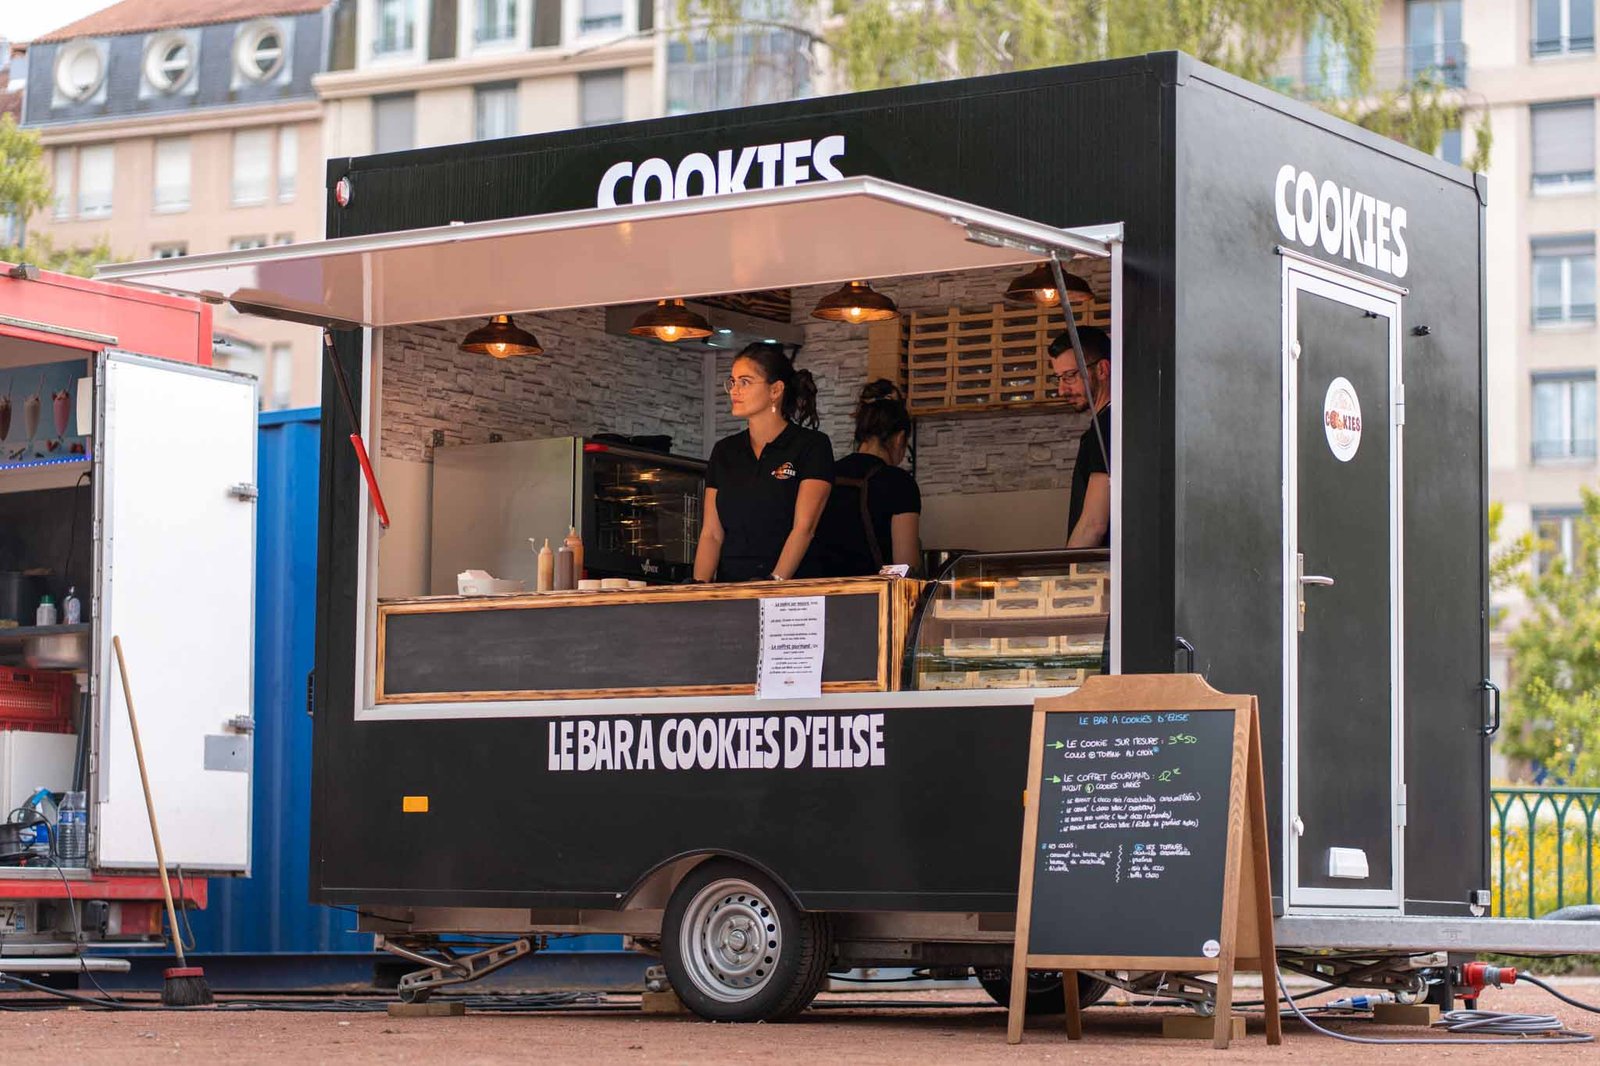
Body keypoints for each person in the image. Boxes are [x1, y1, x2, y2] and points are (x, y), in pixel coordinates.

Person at [694, 343, 834, 582]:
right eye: (732, 382)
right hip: (732, 591)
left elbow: (804, 528)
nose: (734, 390)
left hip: (792, 597)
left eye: (745, 382)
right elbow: (711, 534)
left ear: (776, 390)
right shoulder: (725, 451)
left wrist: (774, 582)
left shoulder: (811, 446)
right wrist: (698, 589)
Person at [808, 380, 923, 577]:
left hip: (821, 597)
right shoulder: (899, 483)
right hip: (873, 600)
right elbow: (906, 567)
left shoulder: (824, 475)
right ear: (900, 438)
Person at [1050, 325, 1112, 548]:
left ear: (1102, 370)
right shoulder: (1115, 422)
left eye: (1069, 376)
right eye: (1058, 378)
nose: (1061, 390)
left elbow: (1093, 525)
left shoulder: (1107, 426)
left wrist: (1066, 579)